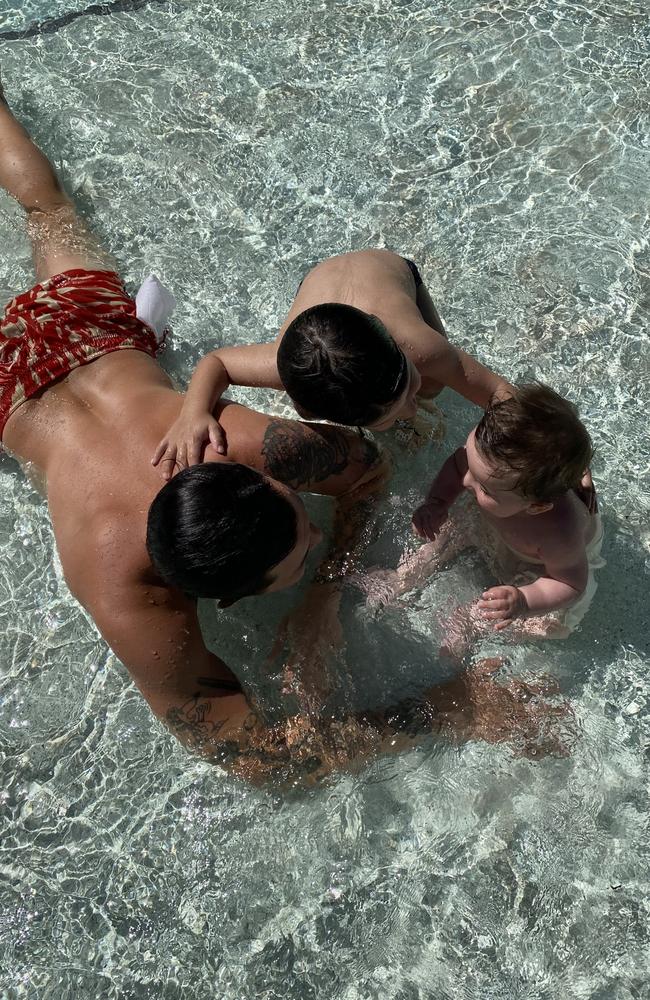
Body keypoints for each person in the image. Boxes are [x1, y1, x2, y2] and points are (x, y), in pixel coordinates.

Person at [0, 80, 569, 780]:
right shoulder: (127, 597)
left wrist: (321, 592)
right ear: (225, 602)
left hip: (90, 333)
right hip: (17, 398)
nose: (318, 538)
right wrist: (452, 706)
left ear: (241, 473)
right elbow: (260, 763)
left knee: (47, 207)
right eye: (303, 554)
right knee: (43, 210)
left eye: (301, 518)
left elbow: (365, 467)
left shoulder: (241, 444)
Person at [151, 249, 512, 477]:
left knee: (436, 381)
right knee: (420, 383)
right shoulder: (282, 366)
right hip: (319, 283)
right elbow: (216, 363)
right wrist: (193, 414)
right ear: (305, 411)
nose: (412, 406)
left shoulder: (417, 344)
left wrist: (550, 459)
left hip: (390, 269)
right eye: (399, 408)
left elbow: (498, 391)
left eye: (407, 390)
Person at [374, 384, 602, 642]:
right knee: (452, 527)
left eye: (484, 487)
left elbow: (571, 585)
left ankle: (471, 624)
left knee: (547, 623)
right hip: (501, 520)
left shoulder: (559, 534)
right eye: (471, 465)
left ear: (535, 506)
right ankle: (403, 577)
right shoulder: (493, 472)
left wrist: (525, 601)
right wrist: (438, 502)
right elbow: (458, 466)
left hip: (544, 565)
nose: (467, 481)